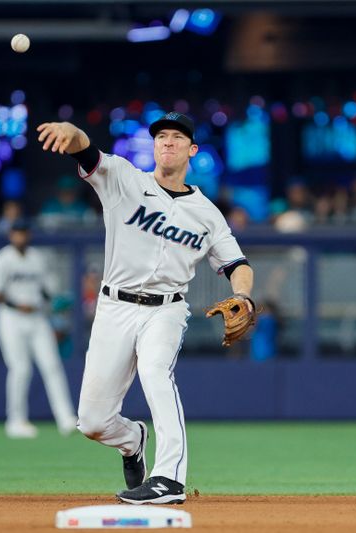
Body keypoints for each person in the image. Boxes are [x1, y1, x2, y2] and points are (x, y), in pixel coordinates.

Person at [36, 112, 254, 505]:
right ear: (154, 146)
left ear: (192, 150)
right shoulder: (124, 179)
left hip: (165, 310)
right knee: (92, 423)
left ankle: (168, 478)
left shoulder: (207, 213)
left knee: (156, 371)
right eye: (161, 136)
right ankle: (133, 439)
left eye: (177, 137)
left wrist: (244, 297)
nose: (167, 142)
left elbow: (237, 265)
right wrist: (72, 133)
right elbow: (86, 151)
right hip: (114, 307)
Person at [0, 219, 78, 439]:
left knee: (52, 366)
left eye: (24, 233)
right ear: (11, 235)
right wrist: (18, 304)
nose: (21, 237)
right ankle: (15, 421)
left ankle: (66, 419)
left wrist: (53, 303)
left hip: (37, 317)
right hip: (11, 317)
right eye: (17, 233)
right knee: (20, 368)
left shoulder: (38, 258)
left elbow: (48, 290)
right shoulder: (2, 260)